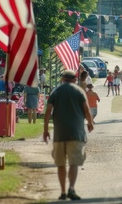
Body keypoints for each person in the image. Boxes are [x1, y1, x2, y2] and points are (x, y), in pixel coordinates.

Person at [43, 70, 94, 201]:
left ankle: (63, 192)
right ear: (74, 79)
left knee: (60, 164)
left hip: (60, 133)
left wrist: (45, 129)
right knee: (74, 163)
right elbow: (86, 109)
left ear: (62, 79)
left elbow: (48, 110)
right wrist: (90, 122)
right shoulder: (79, 91)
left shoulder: (56, 91)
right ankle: (71, 188)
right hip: (76, 133)